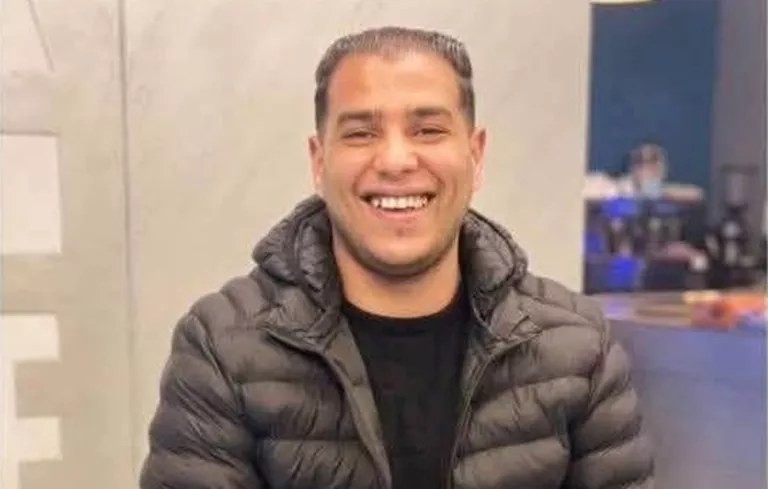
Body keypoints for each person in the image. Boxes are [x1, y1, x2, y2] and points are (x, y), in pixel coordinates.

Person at [140, 26, 654, 489]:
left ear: (475, 155)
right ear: (319, 162)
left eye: (427, 130)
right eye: (360, 133)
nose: (394, 160)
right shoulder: (223, 347)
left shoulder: (578, 348)